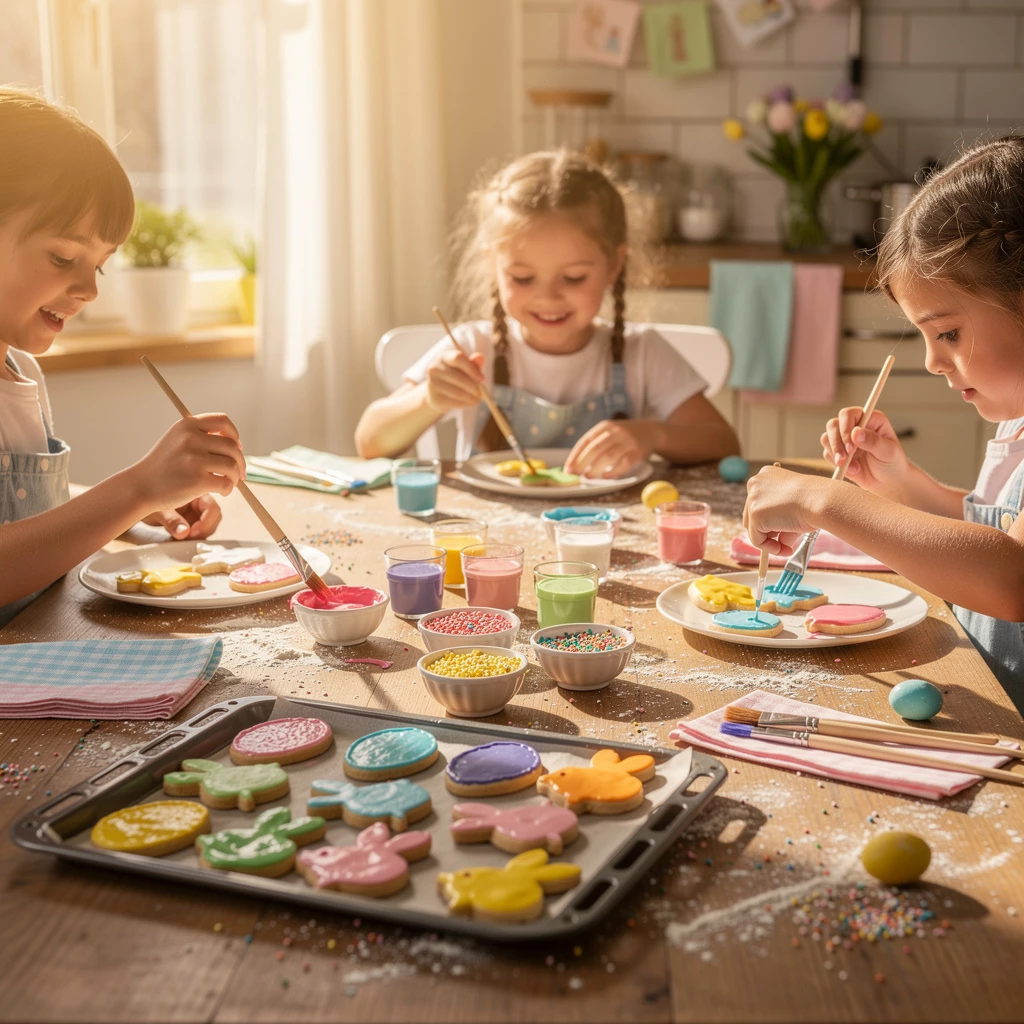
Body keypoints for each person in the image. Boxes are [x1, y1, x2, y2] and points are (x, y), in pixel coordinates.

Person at [743, 136, 1024, 711]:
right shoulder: (1017, 425)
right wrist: (900, 483)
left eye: (947, 333)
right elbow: (987, 532)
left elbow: (1009, 576)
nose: (932, 360)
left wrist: (819, 501)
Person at [0, 89, 244, 625]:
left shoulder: (22, 372)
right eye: (63, 256)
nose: (88, 289)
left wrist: (134, 514)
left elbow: (27, 510)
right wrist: (135, 488)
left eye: (101, 266)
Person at [355, 150, 738, 476]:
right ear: (494, 267)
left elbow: (723, 443)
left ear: (613, 266)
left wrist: (654, 435)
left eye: (573, 278)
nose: (548, 297)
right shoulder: (474, 347)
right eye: (522, 278)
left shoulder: (641, 353)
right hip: (488, 552)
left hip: (605, 544)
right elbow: (370, 442)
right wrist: (429, 400)